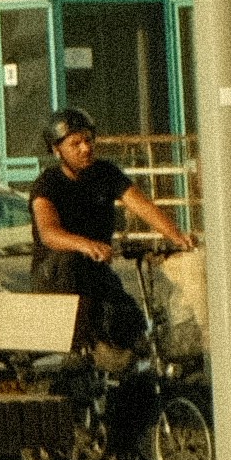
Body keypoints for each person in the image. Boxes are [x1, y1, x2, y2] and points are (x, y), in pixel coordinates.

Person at [29, 110, 156, 362]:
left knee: (133, 328)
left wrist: (177, 237)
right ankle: (77, 354)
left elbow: (142, 206)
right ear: (57, 150)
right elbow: (48, 233)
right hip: (58, 277)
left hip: (95, 272)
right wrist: (85, 245)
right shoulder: (48, 184)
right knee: (69, 264)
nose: (85, 148)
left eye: (89, 140)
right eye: (75, 143)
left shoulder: (105, 173)